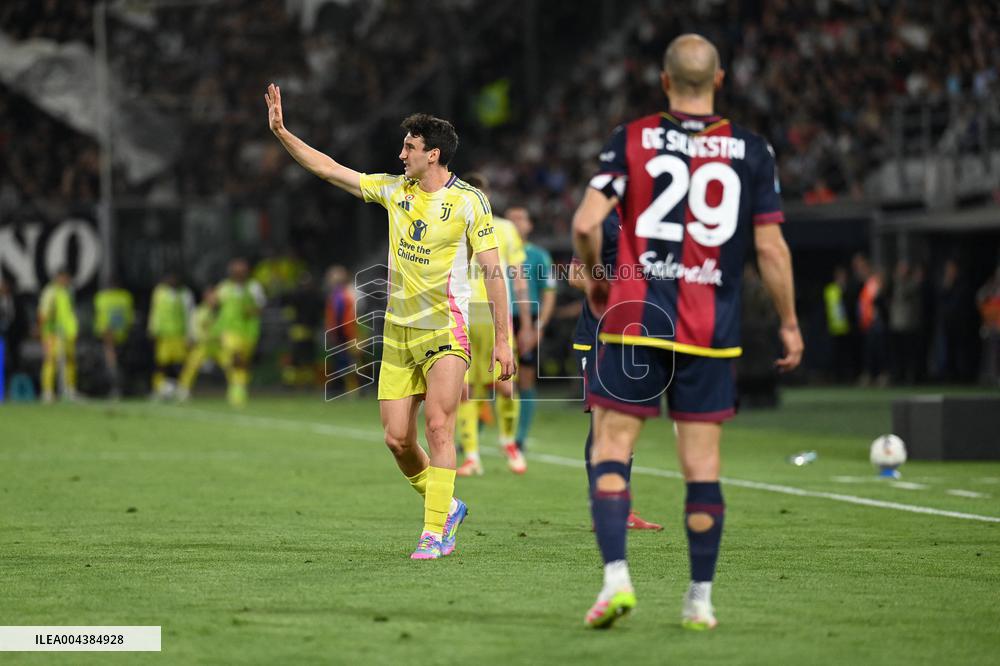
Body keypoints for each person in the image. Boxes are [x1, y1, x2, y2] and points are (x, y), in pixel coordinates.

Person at [572, 34, 802, 630]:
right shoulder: (752, 150)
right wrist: (790, 323)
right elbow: (771, 249)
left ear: (665, 80)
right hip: (709, 331)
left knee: (611, 451)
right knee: (701, 466)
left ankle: (616, 581)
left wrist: (599, 281)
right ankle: (700, 599)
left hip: (633, 321)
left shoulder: (630, 138)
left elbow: (584, 223)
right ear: (719, 79)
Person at [266, 84, 514, 559]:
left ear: (433, 154)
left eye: (410, 147)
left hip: (446, 330)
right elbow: (328, 169)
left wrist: (503, 341)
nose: (401, 154)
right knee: (397, 439)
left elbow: (493, 273)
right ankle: (448, 507)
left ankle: (433, 532)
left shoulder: (469, 203)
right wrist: (282, 132)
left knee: (439, 427)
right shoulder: (394, 190)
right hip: (398, 333)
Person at [569, 209, 663, 531]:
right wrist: (614, 296)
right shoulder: (604, 218)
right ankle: (604, 508)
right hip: (600, 335)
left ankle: (619, 508)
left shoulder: (658, 216)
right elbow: (575, 273)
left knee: (625, 420)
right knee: (603, 420)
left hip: (638, 334)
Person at [455, 173, 531, 477]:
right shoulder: (452, 223)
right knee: (465, 389)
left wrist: (526, 320)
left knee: (505, 385)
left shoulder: (504, 228)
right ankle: (472, 455)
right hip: (461, 312)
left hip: (494, 313)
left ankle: (509, 442)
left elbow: (518, 275)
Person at [506, 206, 556, 452]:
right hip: (495, 317)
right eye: (511, 218)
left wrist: (539, 326)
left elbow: (549, 293)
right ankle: (471, 438)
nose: (515, 222)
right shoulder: (493, 250)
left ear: (530, 225)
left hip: (526, 320)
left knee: (525, 377)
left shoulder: (539, 256)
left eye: (521, 218)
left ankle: (520, 437)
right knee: (486, 379)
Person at [216, 258, 266, 407]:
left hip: (249, 332)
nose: (239, 274)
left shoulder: (254, 287)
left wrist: (252, 311)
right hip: (229, 331)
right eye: (236, 271)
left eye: (242, 271)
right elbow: (213, 303)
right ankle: (237, 389)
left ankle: (238, 389)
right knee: (234, 356)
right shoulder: (224, 287)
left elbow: (261, 307)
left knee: (242, 363)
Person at [148, 272, 193, 400]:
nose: (171, 280)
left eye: (174, 278)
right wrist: (152, 329)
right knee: (161, 363)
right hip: (163, 334)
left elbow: (189, 314)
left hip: (179, 334)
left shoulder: (185, 294)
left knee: (180, 363)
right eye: (169, 278)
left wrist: (190, 335)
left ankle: (182, 389)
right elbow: (155, 311)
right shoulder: (159, 292)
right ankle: (158, 388)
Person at [38, 269, 79, 403]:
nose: (66, 281)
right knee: (50, 360)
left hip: (67, 333)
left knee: (70, 360)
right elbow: (43, 314)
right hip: (52, 333)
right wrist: (45, 331)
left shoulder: (67, 292)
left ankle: (70, 389)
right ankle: (48, 392)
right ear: (58, 278)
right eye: (64, 278)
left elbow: (68, 314)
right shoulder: (50, 292)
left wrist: (73, 329)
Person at [177, 287, 221, 401]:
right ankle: (183, 390)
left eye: (215, 297)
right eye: (212, 297)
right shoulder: (200, 311)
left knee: (232, 365)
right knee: (191, 366)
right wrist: (191, 339)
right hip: (202, 345)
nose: (215, 299)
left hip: (217, 345)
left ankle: (237, 390)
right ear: (206, 298)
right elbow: (194, 327)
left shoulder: (220, 311)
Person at [93, 278, 135, 398]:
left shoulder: (102, 297)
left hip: (108, 332)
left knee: (112, 361)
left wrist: (101, 330)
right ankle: (117, 387)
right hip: (121, 332)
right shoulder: (125, 296)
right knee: (115, 361)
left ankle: (116, 387)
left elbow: (100, 315)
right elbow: (128, 315)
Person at [823, 265, 851, 382]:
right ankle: (836, 376)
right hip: (834, 327)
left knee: (847, 355)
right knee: (835, 354)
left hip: (847, 328)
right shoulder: (830, 289)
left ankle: (847, 376)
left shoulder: (848, 289)